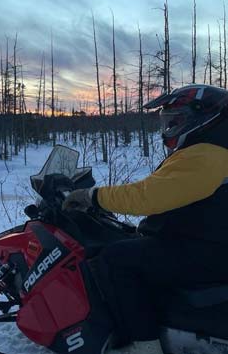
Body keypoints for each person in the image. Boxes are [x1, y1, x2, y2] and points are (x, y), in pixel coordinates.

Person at [63, 84, 228, 352]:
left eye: (175, 120)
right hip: (207, 242)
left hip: (208, 251)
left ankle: (145, 344)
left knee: (116, 259)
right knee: (134, 246)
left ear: (202, 116)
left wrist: (93, 197)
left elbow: (150, 195)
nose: (170, 127)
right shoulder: (213, 146)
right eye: (168, 121)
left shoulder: (210, 153)